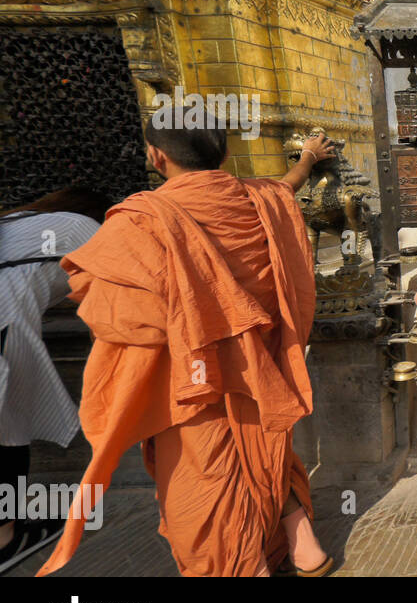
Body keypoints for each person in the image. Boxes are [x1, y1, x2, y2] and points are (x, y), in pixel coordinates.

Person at [37, 109, 336, 576]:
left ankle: (247, 567)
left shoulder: (140, 221)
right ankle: (306, 549)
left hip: (193, 380)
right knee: (265, 451)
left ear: (157, 157)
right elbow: (286, 186)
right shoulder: (259, 199)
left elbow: (115, 317)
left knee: (207, 482)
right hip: (258, 366)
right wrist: (309, 160)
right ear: (226, 151)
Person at [0, 188, 112, 574]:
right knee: (10, 431)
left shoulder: (18, 220)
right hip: (5, 323)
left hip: (8, 318)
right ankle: (6, 539)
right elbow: (119, 288)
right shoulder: (87, 227)